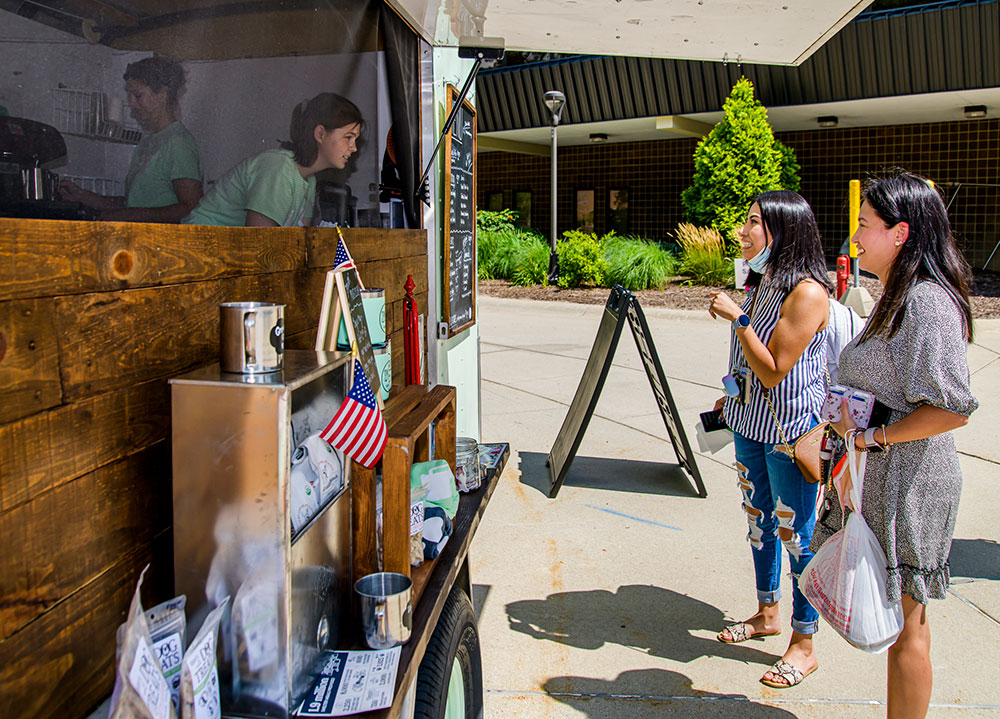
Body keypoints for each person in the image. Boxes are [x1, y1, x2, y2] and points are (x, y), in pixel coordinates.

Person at [819, 172, 977, 719]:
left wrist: (872, 436)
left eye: (864, 225)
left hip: (912, 481)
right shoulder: (897, 295)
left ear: (901, 232)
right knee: (897, 624)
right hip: (881, 472)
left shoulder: (928, 303)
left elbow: (952, 408)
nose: (855, 237)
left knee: (909, 626)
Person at [707, 190, 834, 689]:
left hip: (789, 433)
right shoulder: (763, 283)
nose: (743, 231)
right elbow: (748, 364)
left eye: (754, 222)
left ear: (783, 231)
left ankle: (804, 644)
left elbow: (775, 370)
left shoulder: (807, 293)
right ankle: (767, 613)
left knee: (797, 536)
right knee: (760, 522)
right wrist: (728, 396)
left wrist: (737, 318)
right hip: (748, 423)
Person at [182, 93, 362, 227]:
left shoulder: (309, 179)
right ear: (320, 134)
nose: (353, 147)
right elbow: (260, 244)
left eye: (355, 140)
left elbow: (300, 239)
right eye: (348, 137)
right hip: (196, 252)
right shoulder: (278, 169)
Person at [60, 56, 203, 223]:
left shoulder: (179, 143)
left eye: (138, 95)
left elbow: (191, 207)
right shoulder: (148, 142)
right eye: (129, 95)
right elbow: (134, 204)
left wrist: (130, 216)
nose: (131, 103)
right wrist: (82, 196)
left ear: (163, 94)